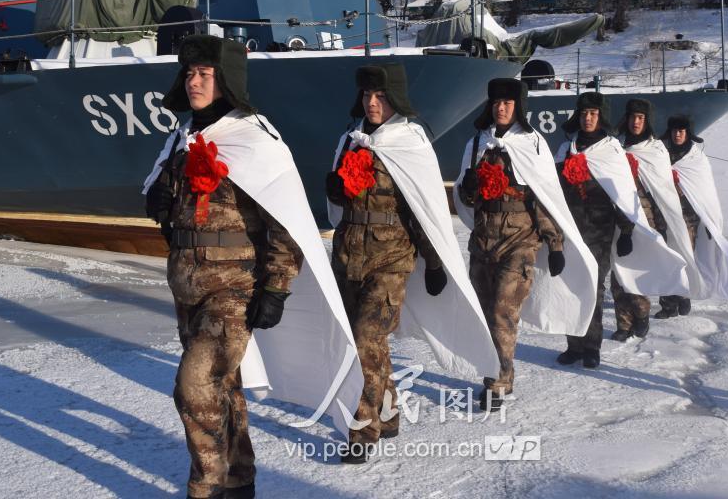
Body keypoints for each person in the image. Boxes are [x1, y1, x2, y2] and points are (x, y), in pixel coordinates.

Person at [144, 35, 362, 498]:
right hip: (187, 284)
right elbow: (168, 207)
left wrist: (277, 288)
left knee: (194, 386)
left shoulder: (254, 138)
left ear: (225, 80)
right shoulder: (182, 138)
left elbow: (285, 221)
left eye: (204, 74)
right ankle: (240, 478)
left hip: (234, 287)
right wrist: (158, 198)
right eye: (189, 73)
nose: (194, 81)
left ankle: (207, 486)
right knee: (223, 385)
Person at [326, 63, 499, 462]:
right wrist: (334, 190)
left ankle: (363, 429)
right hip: (348, 256)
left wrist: (434, 262)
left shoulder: (410, 142)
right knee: (365, 342)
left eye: (381, 96)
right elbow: (340, 202)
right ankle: (388, 413)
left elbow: (424, 208)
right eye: (367, 95)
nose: (372, 103)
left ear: (396, 100)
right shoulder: (350, 141)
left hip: (391, 260)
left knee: (366, 338)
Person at [454, 78, 597, 411]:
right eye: (496, 102)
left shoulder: (533, 144)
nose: (501, 108)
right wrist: (468, 189)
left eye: (507, 103)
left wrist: (555, 243)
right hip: (483, 241)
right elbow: (467, 199)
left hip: (520, 241)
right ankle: (501, 372)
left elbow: (543, 196)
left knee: (503, 311)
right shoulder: (477, 144)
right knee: (485, 312)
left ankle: (496, 382)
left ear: (518, 107)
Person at [554, 93, 687, 368]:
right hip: (571, 229)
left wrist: (626, 231)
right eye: (584, 113)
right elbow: (553, 190)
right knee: (570, 286)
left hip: (600, 229)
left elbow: (624, 194)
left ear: (600, 116)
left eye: (593, 113)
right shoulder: (566, 149)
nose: (588, 118)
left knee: (593, 286)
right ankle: (574, 345)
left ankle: (591, 347)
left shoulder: (611, 150)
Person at [613, 100, 703, 340]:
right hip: (617, 219)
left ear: (647, 121)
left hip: (647, 222)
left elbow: (663, 191)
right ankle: (624, 325)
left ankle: (651, 307)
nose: (635, 122)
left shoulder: (655, 150)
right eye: (632, 117)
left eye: (641, 118)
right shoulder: (615, 147)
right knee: (618, 275)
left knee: (640, 270)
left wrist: (663, 227)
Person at [658, 115, 728, 318]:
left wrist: (710, 221)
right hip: (665, 216)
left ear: (688, 133)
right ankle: (668, 304)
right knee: (668, 260)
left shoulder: (696, 159)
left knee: (686, 258)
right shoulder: (660, 155)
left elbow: (706, 193)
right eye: (674, 130)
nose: (677, 134)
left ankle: (685, 294)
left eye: (681, 131)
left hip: (689, 219)